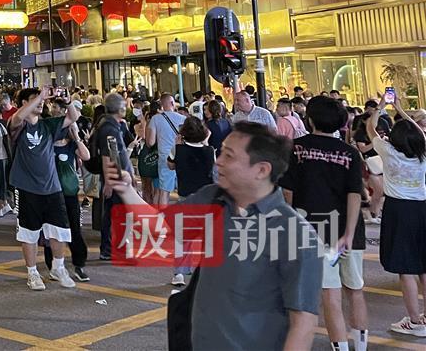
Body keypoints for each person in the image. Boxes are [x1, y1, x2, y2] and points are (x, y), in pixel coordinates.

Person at [105, 121, 323, 350]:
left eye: (229, 156)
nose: (219, 161)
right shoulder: (213, 199)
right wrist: (126, 190)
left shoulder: (295, 235)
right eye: (221, 152)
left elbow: (303, 323)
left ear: (261, 170)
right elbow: (160, 227)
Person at [282, 96, 369, 351]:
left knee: (330, 293)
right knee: (355, 289)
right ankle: (361, 347)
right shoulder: (350, 152)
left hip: (315, 230)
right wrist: (349, 233)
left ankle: (340, 348)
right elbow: (355, 193)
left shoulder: (296, 149)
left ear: (309, 120)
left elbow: (287, 193)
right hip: (350, 229)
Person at [8, 87, 81, 290]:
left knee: (59, 230)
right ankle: (32, 273)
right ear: (24, 103)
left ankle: (58, 267)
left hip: (52, 186)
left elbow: (72, 117)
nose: (41, 102)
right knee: (28, 232)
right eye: (35, 99)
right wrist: (40, 95)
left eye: (41, 100)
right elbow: (16, 118)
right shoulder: (19, 126)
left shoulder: (48, 125)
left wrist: (68, 101)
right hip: (27, 187)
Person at [365, 101, 426, 337]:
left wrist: (382, 106)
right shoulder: (423, 153)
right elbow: (418, 132)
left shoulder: (389, 152)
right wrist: (400, 109)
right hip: (421, 208)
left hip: (398, 210)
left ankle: (415, 321)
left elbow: (370, 128)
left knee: (405, 268)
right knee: (423, 266)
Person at [166, 115, 215, 287]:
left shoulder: (178, 149)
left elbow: (170, 165)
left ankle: (180, 273)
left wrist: (178, 144)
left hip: (185, 196)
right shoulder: (209, 151)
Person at [43, 116, 91, 282]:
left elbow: (86, 156)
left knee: (74, 230)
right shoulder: (47, 145)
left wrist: (76, 137)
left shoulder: (71, 145)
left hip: (70, 194)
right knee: (52, 231)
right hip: (51, 194)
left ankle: (79, 265)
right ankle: (53, 266)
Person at [95, 92, 134, 261]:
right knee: (117, 214)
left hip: (117, 177)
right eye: (124, 105)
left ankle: (111, 248)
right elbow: (108, 155)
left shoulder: (110, 125)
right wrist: (110, 182)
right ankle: (112, 249)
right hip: (116, 179)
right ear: (119, 108)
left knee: (114, 214)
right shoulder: (109, 129)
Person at [145, 93, 186, 207]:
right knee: (183, 192)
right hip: (182, 155)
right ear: (172, 103)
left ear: (161, 105)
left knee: (164, 192)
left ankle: (163, 216)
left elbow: (150, 142)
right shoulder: (183, 119)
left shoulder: (155, 119)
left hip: (165, 157)